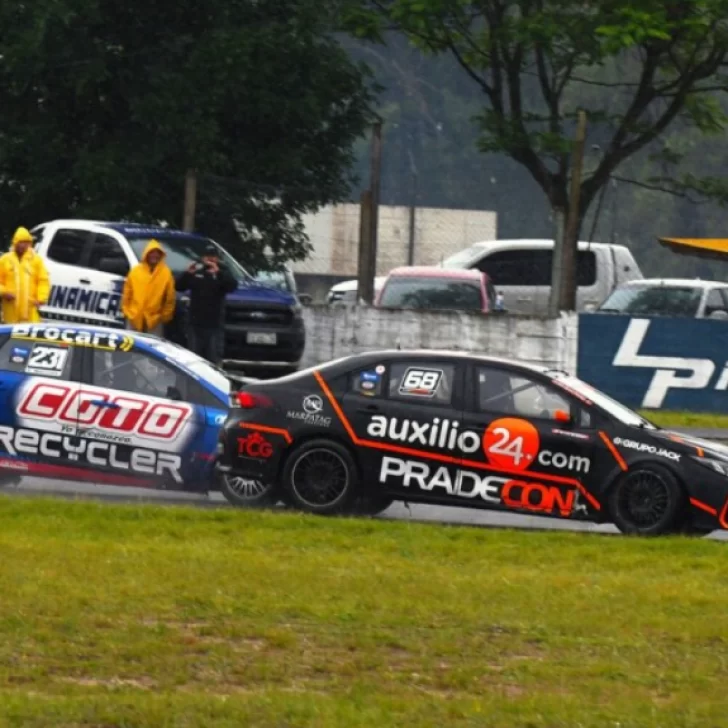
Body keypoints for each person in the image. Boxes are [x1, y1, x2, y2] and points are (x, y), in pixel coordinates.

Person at [175, 243, 237, 364]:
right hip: (195, 323)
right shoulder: (197, 271)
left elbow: (232, 286)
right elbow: (179, 286)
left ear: (217, 258)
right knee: (194, 358)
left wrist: (218, 273)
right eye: (207, 256)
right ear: (203, 257)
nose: (210, 259)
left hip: (214, 324)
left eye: (213, 256)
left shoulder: (222, 271)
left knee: (213, 358)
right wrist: (187, 274)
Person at [121, 239, 176, 335]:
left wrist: (165, 316)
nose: (154, 256)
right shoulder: (135, 272)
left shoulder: (166, 273)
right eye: (151, 253)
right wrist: (126, 311)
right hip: (134, 317)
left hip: (154, 321)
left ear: (160, 255)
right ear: (146, 254)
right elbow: (127, 293)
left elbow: (170, 298)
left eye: (157, 253)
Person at [0, 227, 51, 324]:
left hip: (30, 312)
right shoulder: (5, 260)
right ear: (15, 242)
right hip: (10, 312)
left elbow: (43, 280)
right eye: (21, 242)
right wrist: (4, 292)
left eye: (27, 242)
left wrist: (41, 298)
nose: (24, 245)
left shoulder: (36, 260)